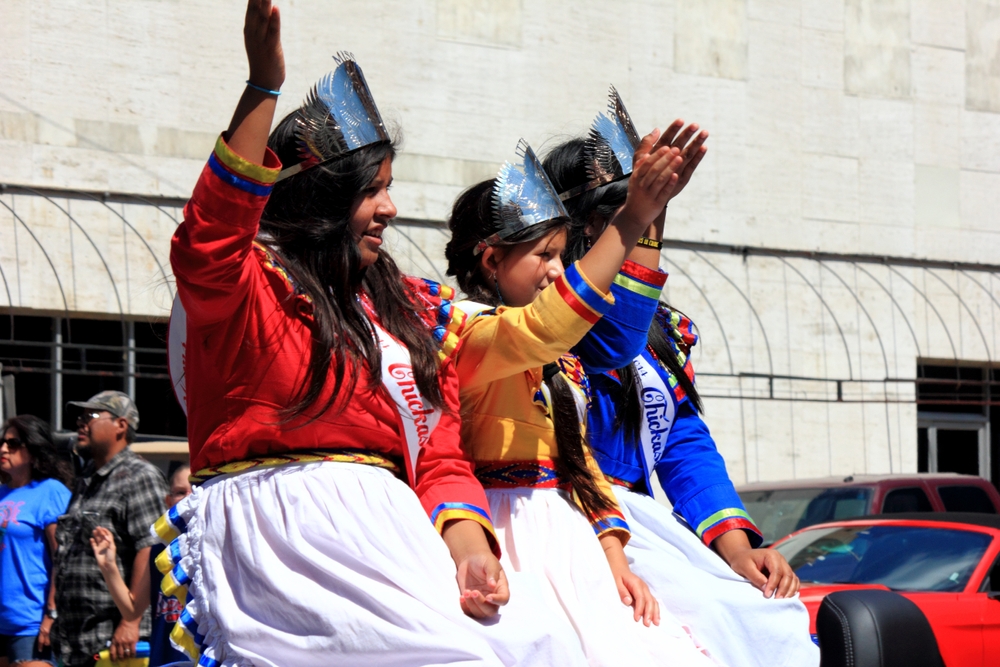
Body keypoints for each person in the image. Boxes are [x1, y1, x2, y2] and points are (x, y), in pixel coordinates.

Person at [153, 2, 585, 665]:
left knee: (542, 642)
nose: (390, 207)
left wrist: (470, 550)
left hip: (390, 543)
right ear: (319, 200)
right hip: (281, 551)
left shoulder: (397, 313)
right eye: (371, 191)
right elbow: (207, 238)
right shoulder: (245, 288)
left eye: (389, 187)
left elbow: (438, 455)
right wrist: (262, 89)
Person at [543, 88, 820, 667]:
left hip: (647, 523)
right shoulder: (548, 317)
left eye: (646, 207)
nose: (640, 226)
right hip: (583, 518)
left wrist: (738, 548)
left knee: (769, 614)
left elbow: (684, 444)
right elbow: (613, 334)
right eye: (619, 211)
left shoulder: (663, 331)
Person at [442, 136, 717, 665]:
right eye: (544, 255)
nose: (554, 269)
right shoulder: (464, 334)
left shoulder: (564, 361)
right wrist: (634, 217)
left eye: (559, 255)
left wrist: (614, 555)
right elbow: (542, 328)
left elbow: (579, 460)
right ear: (491, 259)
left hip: (569, 535)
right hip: (499, 532)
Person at [52, 391, 167, 667]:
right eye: (80, 417)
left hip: (113, 643)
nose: (81, 423)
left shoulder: (139, 476)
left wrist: (131, 622)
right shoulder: (87, 479)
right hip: (75, 640)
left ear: (121, 425)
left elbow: (150, 548)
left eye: (90, 415)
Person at [91, 464, 190, 667]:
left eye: (196, 489)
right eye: (180, 492)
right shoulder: (158, 552)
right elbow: (132, 611)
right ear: (168, 501)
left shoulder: (219, 549)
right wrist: (108, 565)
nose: (188, 497)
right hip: (163, 660)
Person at [0, 415, 72, 667]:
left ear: (33, 450)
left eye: (13, 443)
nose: (3, 449)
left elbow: (62, 558)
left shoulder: (51, 491)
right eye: (2, 442)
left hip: (31, 622)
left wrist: (52, 615)